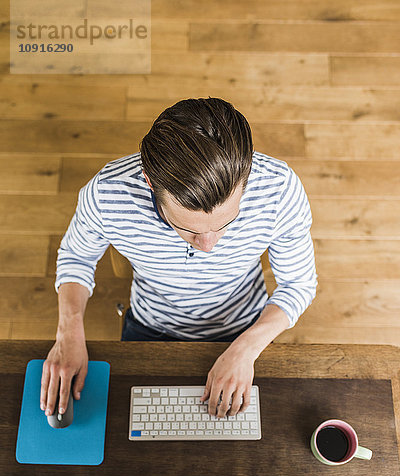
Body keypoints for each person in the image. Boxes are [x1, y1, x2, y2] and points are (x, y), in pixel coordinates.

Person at [40, 97, 318, 420]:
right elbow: (76, 256)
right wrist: (68, 332)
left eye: (225, 224)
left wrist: (246, 348)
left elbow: (298, 283)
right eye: (187, 230)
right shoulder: (106, 193)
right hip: (151, 325)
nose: (208, 247)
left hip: (247, 325)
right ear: (149, 183)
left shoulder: (280, 189)